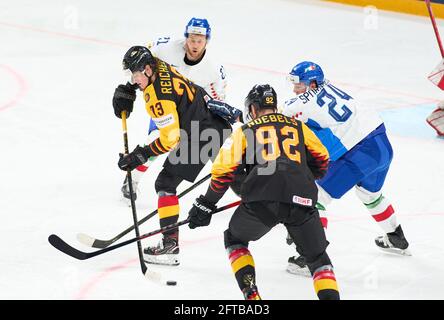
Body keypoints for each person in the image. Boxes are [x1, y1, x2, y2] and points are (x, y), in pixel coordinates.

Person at [186, 84, 340, 300]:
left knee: (235, 240)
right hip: (302, 199)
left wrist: (206, 204)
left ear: (253, 109)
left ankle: (252, 297)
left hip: (262, 201)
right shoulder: (298, 127)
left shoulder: (246, 130)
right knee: (318, 258)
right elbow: (322, 160)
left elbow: (222, 172)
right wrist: (297, 176)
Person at [281, 61, 411, 276]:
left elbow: (275, 121)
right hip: (381, 143)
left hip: (359, 152)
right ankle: (396, 236)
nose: (295, 89)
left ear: (312, 83)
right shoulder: (330, 87)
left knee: (316, 198)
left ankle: (312, 259)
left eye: (299, 84)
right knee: (370, 194)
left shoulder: (297, 105)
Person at [112, 46, 237, 266]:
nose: (134, 78)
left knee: (166, 182)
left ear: (148, 70)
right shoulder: (158, 64)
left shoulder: (158, 98)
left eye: (136, 74)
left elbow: (169, 139)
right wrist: (129, 87)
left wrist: (141, 155)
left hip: (201, 133)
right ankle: (287, 212)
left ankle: (170, 246)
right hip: (212, 122)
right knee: (241, 182)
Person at [121, 17, 231, 202]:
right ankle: (132, 180)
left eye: (200, 41)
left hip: (191, 112)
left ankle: (249, 195)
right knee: (156, 141)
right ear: (185, 37)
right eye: (191, 39)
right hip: (163, 105)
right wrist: (129, 88)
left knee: (221, 153)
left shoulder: (213, 68)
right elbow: (139, 64)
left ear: (207, 41)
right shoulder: (164, 47)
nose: (195, 45)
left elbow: (216, 101)